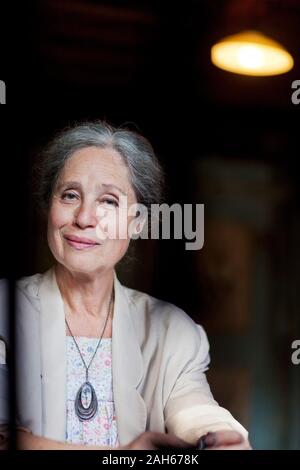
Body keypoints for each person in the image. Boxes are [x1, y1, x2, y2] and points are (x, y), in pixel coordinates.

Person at [0, 121, 251, 450]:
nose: (85, 217)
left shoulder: (170, 330)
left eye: (108, 201)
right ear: (50, 206)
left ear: (137, 223)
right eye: (70, 195)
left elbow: (194, 409)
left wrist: (216, 436)